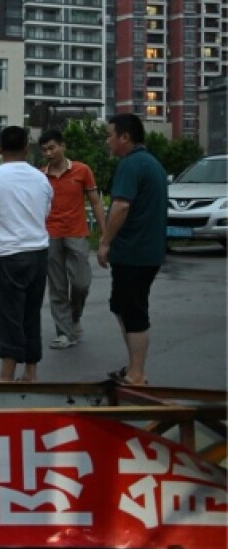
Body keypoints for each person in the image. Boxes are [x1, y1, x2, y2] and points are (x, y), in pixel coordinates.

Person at [0, 126, 53, 382]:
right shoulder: (41, 178)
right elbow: (46, 211)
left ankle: (6, 377)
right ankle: (31, 372)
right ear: (27, 149)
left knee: (8, 315)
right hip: (39, 253)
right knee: (31, 312)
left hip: (9, 255)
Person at [97, 113, 167, 386]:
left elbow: (121, 206)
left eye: (110, 135)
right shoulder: (152, 164)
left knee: (134, 311)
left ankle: (137, 374)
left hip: (135, 253)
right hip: (146, 251)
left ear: (125, 137)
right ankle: (132, 368)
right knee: (123, 307)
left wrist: (104, 242)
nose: (108, 141)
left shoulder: (130, 165)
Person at [39, 129, 107, 350]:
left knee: (80, 283)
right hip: (50, 234)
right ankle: (64, 333)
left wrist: (104, 232)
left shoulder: (82, 170)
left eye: (52, 148)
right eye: (44, 150)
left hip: (76, 232)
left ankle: (74, 317)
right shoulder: (40, 175)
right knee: (57, 287)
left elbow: (96, 202)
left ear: (62, 146)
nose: (48, 153)